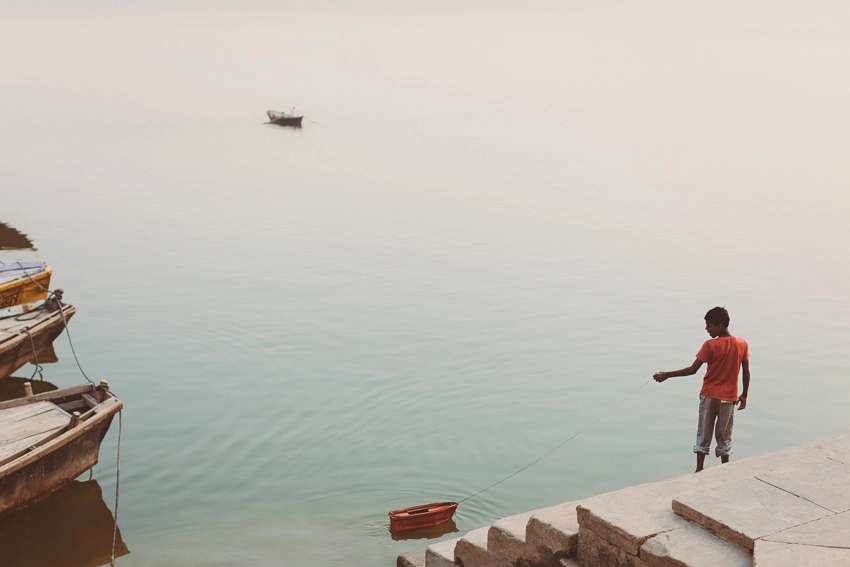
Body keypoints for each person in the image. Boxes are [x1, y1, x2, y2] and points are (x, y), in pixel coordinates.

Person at [653, 307, 750, 472]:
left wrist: (667, 375)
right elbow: (746, 372)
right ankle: (725, 469)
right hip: (729, 398)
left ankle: (699, 469)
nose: (706, 329)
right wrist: (744, 395)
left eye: (709, 325)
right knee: (724, 436)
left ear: (720, 326)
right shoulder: (742, 344)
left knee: (703, 434)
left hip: (709, 396)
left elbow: (692, 370)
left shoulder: (710, 345)